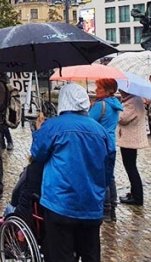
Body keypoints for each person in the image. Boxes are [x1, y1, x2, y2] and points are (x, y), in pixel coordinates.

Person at [31, 83, 114, 262]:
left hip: (60, 203)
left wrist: (39, 131)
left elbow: (37, 154)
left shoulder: (53, 126)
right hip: (91, 204)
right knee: (90, 253)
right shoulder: (101, 131)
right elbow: (108, 170)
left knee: (60, 254)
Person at [89, 78, 123, 220]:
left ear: (107, 90)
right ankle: (112, 207)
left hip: (100, 143)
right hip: (111, 143)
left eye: (99, 88)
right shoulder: (115, 104)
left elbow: (89, 122)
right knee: (110, 176)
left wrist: (90, 108)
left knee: (101, 176)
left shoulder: (101, 105)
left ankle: (105, 209)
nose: (96, 90)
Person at [117, 90, 148, 206]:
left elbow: (123, 118)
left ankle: (137, 197)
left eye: (121, 91)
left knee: (131, 168)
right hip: (130, 139)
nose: (119, 92)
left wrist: (117, 109)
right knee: (131, 166)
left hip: (130, 140)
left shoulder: (132, 102)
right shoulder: (135, 99)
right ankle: (134, 193)